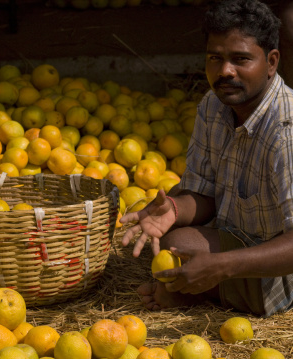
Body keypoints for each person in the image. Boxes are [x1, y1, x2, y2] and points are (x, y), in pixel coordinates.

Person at [120, 0, 293, 317]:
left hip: (281, 270)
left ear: (271, 62)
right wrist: (173, 209)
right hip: (238, 236)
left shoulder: (286, 133)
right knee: (173, 242)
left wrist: (223, 266)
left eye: (241, 59)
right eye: (215, 58)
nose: (225, 71)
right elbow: (205, 193)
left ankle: (203, 290)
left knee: (180, 255)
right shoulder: (213, 106)